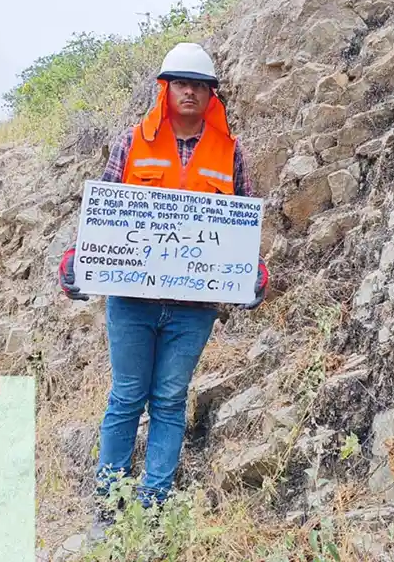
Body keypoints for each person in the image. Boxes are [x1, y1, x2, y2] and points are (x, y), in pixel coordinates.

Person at [56, 42, 269, 539]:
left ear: (211, 93)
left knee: (170, 400)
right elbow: (107, 210)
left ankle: (152, 509)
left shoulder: (229, 151)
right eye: (181, 83)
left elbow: (241, 221)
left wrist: (252, 270)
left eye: (198, 84)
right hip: (131, 302)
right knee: (127, 396)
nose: (189, 91)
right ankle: (109, 509)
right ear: (165, 89)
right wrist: (78, 257)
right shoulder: (133, 143)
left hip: (194, 308)